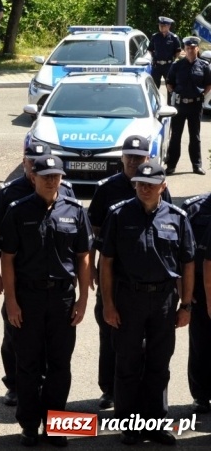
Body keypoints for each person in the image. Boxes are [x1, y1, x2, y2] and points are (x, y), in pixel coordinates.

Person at [99, 162, 194, 446]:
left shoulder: (177, 217)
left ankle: (154, 423)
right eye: (140, 182)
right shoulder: (118, 215)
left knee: (159, 363)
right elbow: (106, 263)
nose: (145, 187)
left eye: (151, 183)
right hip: (128, 298)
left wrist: (186, 305)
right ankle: (129, 424)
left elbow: (188, 264)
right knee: (127, 362)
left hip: (165, 300)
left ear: (163, 186)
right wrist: (108, 304)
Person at [0, 155, 92, 447]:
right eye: (45, 175)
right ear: (33, 177)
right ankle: (28, 426)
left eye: (56, 175)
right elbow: (8, 259)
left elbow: (83, 257)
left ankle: (56, 426)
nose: (51, 180)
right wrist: (11, 301)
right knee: (27, 365)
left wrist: (83, 299)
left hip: (63, 298)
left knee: (59, 365)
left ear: (62, 178)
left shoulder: (75, 211)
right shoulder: (17, 211)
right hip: (28, 298)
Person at [86, 135, 172, 411]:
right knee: (111, 333)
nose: (134, 161)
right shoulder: (106, 189)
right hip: (116, 278)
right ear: (121, 158)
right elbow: (93, 231)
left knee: (147, 344)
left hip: (149, 283)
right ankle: (110, 389)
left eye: (139, 157)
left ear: (148, 158)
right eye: (129, 156)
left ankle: (144, 396)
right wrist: (94, 271)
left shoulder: (158, 186)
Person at [0, 142, 75, 408]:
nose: (34, 166)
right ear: (24, 162)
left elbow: (80, 249)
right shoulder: (9, 194)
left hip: (58, 291)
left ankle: (50, 404)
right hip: (24, 285)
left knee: (57, 355)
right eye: (30, 161)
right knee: (15, 338)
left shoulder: (65, 192)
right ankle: (15, 385)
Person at [165, 36, 211, 175]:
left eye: (193, 48)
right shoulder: (177, 65)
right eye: (188, 48)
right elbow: (169, 82)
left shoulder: (204, 66)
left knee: (195, 137)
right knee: (175, 136)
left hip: (195, 105)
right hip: (179, 105)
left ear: (197, 49)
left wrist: (203, 95)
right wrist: (173, 93)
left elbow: (208, 84)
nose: (190, 50)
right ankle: (171, 165)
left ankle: (196, 166)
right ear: (184, 49)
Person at [182, 192, 211, 414]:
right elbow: (181, 251)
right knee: (200, 341)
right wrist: (184, 288)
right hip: (199, 283)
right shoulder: (194, 208)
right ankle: (201, 395)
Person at [147, 16, 181, 90]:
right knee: (154, 88)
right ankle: (155, 101)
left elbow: (178, 51)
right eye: (160, 25)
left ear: (169, 26)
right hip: (157, 65)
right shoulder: (155, 37)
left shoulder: (173, 38)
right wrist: (154, 57)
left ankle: (169, 102)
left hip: (168, 66)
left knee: (170, 87)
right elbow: (150, 49)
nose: (161, 27)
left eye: (163, 26)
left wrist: (172, 60)